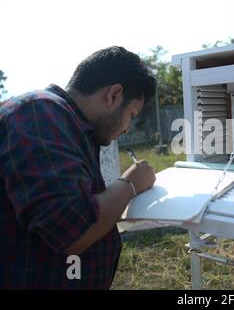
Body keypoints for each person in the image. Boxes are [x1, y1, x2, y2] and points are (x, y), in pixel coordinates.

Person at [0, 46, 157, 289]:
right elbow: (73, 231)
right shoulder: (39, 113)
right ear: (113, 95)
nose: (126, 128)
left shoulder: (66, 123)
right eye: (132, 114)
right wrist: (130, 184)